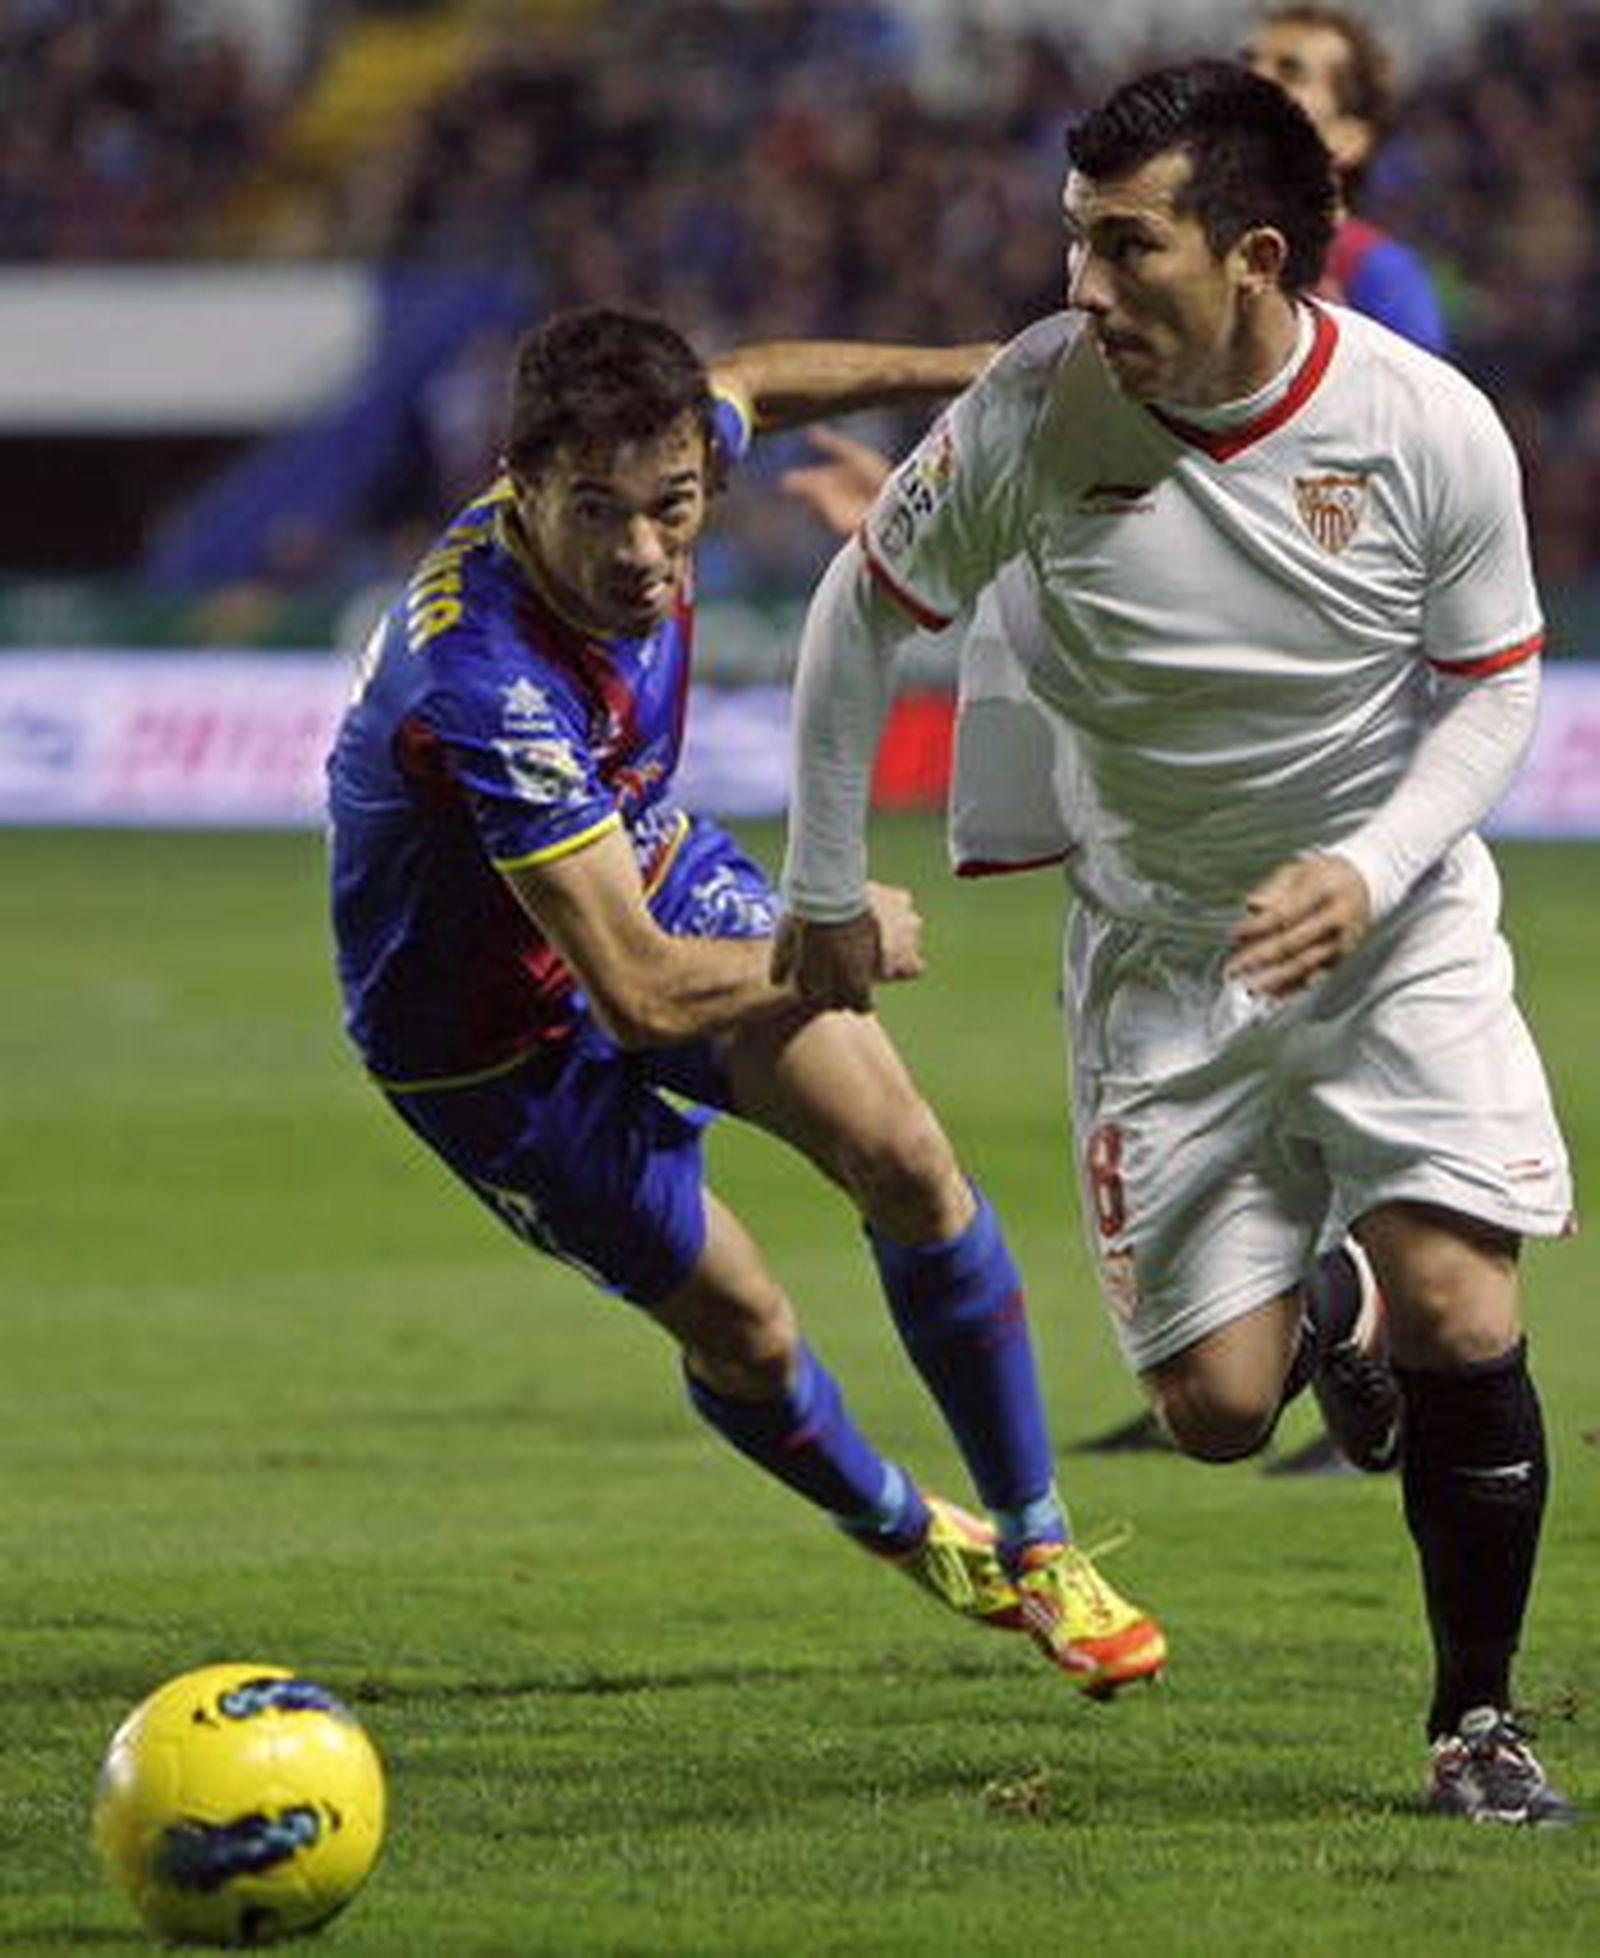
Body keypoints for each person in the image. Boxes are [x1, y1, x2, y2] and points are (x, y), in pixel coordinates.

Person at [776, 61, 1575, 1822]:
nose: (1084, 284)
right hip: (1157, 954)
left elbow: (1496, 695)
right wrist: (823, 885)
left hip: (1392, 929)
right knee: (1215, 1409)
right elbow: (858, 619)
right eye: (1076, 239)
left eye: (1126, 245)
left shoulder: (1427, 426)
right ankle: (1331, 1305)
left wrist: (1367, 868)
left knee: (1467, 1303)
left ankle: (1478, 1722)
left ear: (1258, 256)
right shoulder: (1036, 407)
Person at [325, 306, 1166, 1700]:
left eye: (673, 507)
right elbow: (641, 991)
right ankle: (903, 1526)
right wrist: (829, 932)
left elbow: (755, 382)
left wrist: (976, 372)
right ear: (517, 484)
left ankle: (1039, 1543)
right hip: (479, 1041)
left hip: (637, 855)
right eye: (597, 512)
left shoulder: (662, 445)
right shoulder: (482, 679)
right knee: (748, 1330)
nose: (645, 553)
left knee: (903, 1152)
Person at [781, 2, 1450, 1478]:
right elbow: (1136, 525)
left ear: (1341, 142)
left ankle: (1389, 1342)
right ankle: (1300, 1324)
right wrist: (940, 526)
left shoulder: (1374, 308)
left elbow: (1289, 523)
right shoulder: (1109, 347)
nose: (1258, 87)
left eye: (1292, 80)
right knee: (1210, 1385)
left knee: (1391, 1152)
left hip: (1321, 806)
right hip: (1152, 832)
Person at [1243, 3, 1446, 351]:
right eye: (1247, 63)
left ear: (1349, 138)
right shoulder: (1184, 249)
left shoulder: (1379, 274)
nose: (1252, 79)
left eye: (1291, 72)